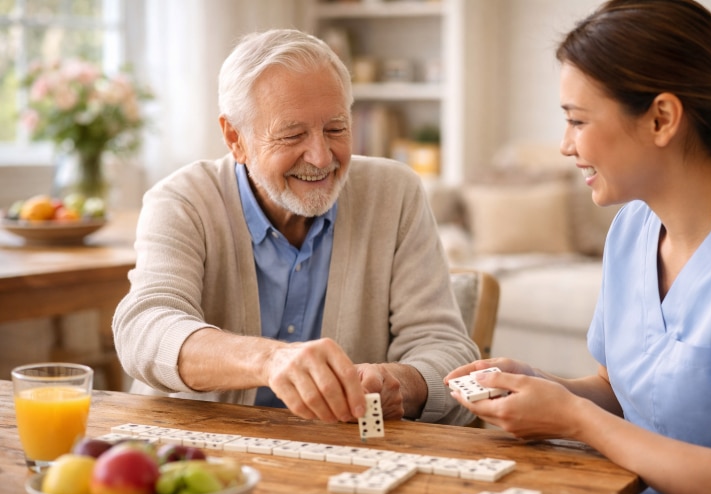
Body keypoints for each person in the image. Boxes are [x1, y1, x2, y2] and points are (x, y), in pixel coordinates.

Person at [445, 1, 711, 494]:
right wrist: (542, 386)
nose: (566, 146)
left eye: (577, 121)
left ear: (661, 118)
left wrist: (574, 419)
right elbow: (619, 392)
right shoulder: (633, 228)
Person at [113, 28, 479, 426]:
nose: (322, 158)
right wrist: (270, 360)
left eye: (336, 129)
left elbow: (447, 348)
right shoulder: (182, 200)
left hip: (342, 456)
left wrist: (401, 384)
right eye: (292, 135)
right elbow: (145, 329)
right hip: (198, 454)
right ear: (236, 138)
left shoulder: (396, 192)